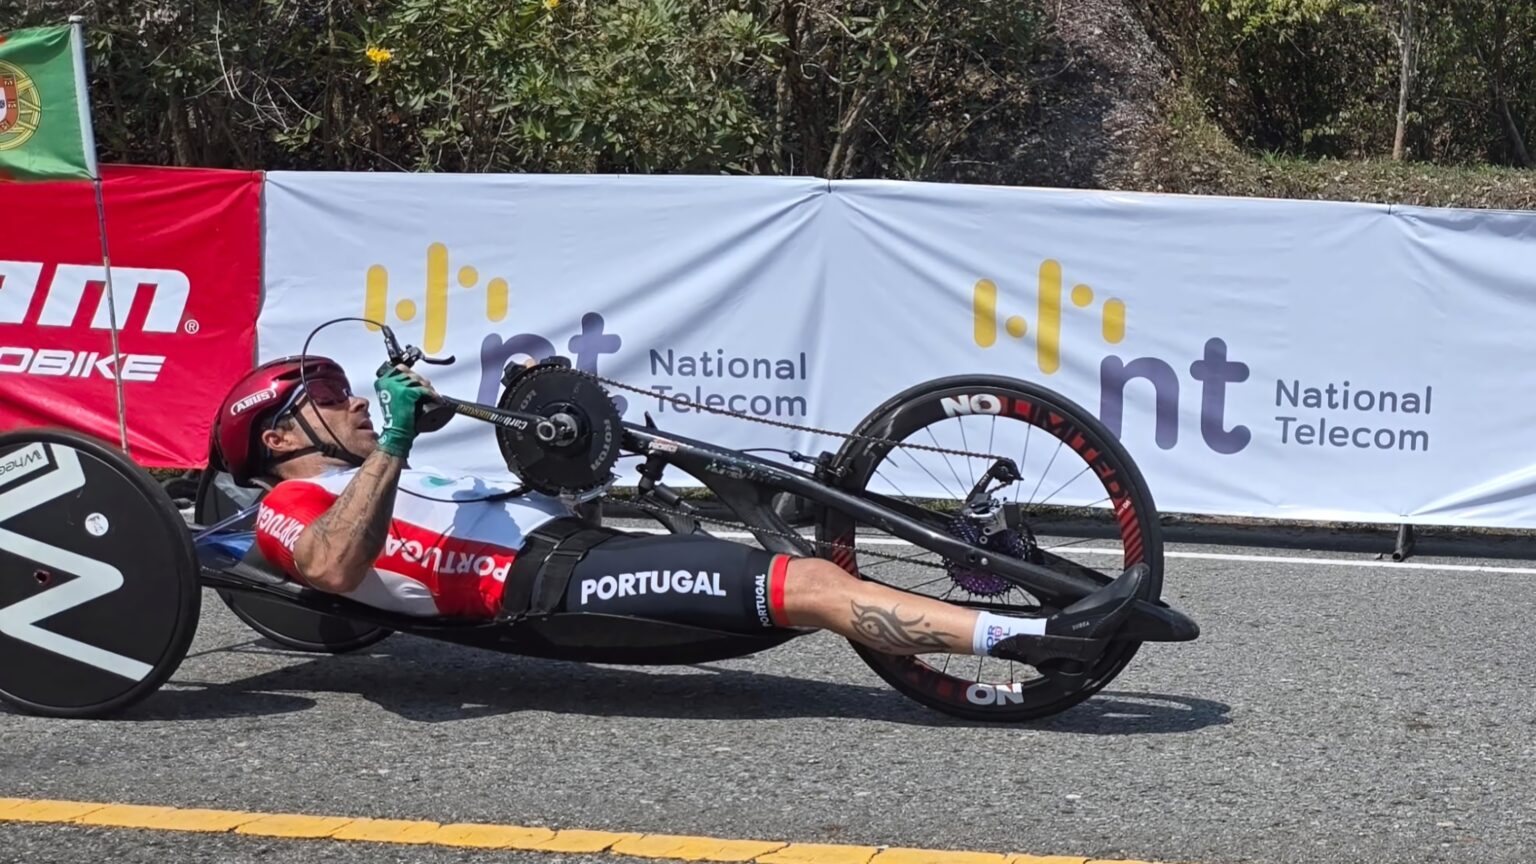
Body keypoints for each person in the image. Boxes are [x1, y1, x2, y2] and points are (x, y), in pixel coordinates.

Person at [211, 355, 1147, 677]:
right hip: (555, 586)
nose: (355, 406)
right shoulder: (290, 508)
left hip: (576, 539)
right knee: (813, 585)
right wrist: (397, 444)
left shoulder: (369, 471)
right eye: (328, 396)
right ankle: (1029, 642)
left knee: (783, 499)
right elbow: (335, 570)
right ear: (283, 433)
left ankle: (992, 565)